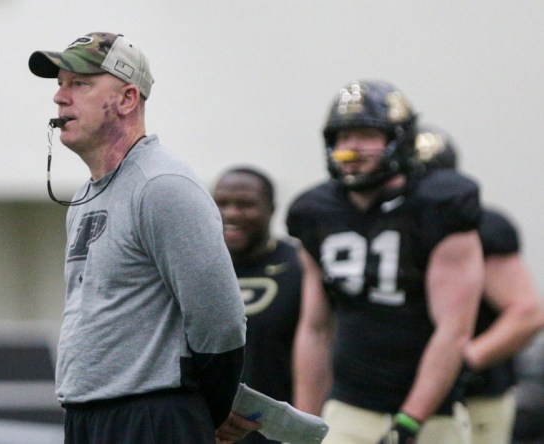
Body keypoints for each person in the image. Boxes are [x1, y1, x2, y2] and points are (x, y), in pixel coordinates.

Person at [28, 32, 247, 443]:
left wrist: (207, 413)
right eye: (60, 84)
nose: (60, 97)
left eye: (80, 83)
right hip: (90, 416)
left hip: (151, 418)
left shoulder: (162, 185)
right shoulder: (84, 195)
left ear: (128, 99)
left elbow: (222, 321)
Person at [285, 79, 484, 444]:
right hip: (350, 407)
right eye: (342, 137)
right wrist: (303, 422)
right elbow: (315, 329)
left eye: (365, 135)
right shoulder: (315, 212)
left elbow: (453, 329)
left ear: (401, 140)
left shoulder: (439, 206)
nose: (350, 148)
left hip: (431, 415)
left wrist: (410, 421)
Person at [415, 125, 544, 444]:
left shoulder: (480, 227)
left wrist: (464, 359)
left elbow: (527, 313)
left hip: (474, 397)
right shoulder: (377, 225)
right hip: (392, 390)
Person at [213, 166, 303, 444]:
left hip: (276, 433)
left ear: (271, 209)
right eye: (222, 203)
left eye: (246, 204)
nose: (231, 213)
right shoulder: (197, 267)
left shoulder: (300, 266)